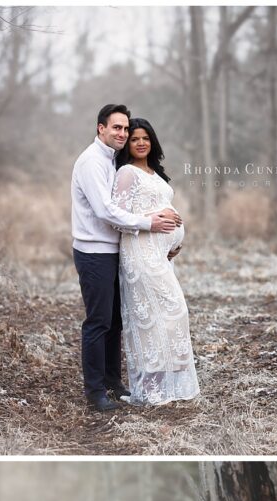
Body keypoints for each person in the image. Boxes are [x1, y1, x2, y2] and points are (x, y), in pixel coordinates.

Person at [71, 104, 182, 412]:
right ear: (100, 128)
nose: (121, 133)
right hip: (94, 252)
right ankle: (95, 392)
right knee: (98, 322)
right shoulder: (92, 162)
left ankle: (112, 381)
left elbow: (130, 207)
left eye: (124, 129)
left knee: (116, 322)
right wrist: (152, 223)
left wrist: (165, 237)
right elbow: (106, 212)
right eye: (116, 128)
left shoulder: (111, 161)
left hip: (115, 252)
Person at [112, 118, 200, 406]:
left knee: (172, 317)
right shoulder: (126, 173)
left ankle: (167, 388)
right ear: (127, 144)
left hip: (159, 256)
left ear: (153, 141)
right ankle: (150, 391)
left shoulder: (153, 173)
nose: (140, 142)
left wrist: (172, 242)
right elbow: (118, 218)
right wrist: (157, 222)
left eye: (145, 137)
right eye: (134, 138)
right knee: (157, 318)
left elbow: (162, 212)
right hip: (139, 254)